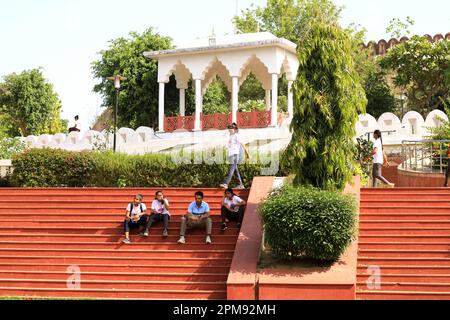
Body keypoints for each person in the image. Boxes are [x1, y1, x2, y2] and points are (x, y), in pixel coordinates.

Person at [220, 123, 249, 190]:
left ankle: (226, 183)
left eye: (232, 128)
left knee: (231, 169)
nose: (230, 130)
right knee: (235, 170)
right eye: (229, 128)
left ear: (235, 129)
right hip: (231, 155)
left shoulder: (236, 136)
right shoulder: (231, 136)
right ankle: (240, 184)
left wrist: (247, 154)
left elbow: (243, 144)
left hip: (235, 154)